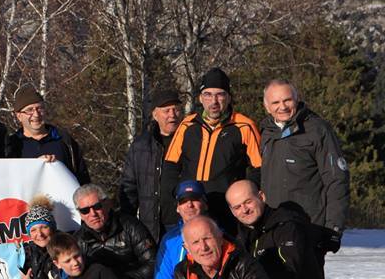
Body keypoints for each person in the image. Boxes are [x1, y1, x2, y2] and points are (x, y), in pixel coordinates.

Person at [163, 67, 261, 232]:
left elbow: (259, 169)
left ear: (228, 98)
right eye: (208, 95)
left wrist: (243, 201)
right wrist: (178, 198)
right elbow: (170, 167)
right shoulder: (187, 125)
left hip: (227, 210)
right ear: (201, 98)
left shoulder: (244, 126)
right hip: (192, 206)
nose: (213, 101)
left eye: (220, 94)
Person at [260, 79, 349, 251]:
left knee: (306, 278)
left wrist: (334, 228)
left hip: (309, 227)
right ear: (267, 106)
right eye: (275, 102)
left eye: (287, 100)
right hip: (272, 226)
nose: (282, 107)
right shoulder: (265, 131)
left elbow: (337, 180)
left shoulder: (316, 129)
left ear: (296, 98)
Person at [72, 183, 155, 279]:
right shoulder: (78, 240)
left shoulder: (130, 226)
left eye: (97, 206)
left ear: (108, 204)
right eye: (85, 210)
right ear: (80, 214)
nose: (93, 214)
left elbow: (153, 263)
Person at [119, 88, 184, 243]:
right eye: (166, 111)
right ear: (155, 115)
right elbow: (129, 187)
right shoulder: (140, 146)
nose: (172, 115)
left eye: (176, 109)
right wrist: (127, 224)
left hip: (182, 222)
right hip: (151, 226)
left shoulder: (191, 141)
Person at [6, 86, 90, 184]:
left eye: (39, 108)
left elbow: (83, 180)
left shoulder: (64, 140)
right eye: (29, 110)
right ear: (19, 116)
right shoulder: (11, 146)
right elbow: (8, 183)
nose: (36, 114)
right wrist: (35, 166)